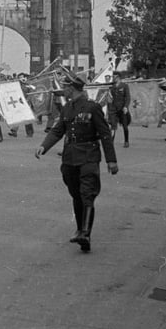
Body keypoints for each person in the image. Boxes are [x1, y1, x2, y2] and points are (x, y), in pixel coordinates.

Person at [35, 76, 118, 253]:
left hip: (89, 156)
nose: (63, 90)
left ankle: (86, 233)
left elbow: (104, 134)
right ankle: (80, 229)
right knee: (76, 194)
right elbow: (58, 130)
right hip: (70, 157)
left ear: (72, 88)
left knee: (87, 193)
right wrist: (44, 146)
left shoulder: (92, 107)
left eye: (65, 87)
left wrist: (111, 160)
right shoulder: (67, 108)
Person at [107, 71, 131, 148]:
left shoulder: (124, 86)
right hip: (114, 109)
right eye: (113, 76)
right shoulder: (112, 87)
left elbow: (128, 97)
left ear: (119, 77)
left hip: (122, 108)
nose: (113, 78)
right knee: (113, 126)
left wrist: (126, 107)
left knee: (125, 126)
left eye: (115, 77)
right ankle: (111, 142)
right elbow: (109, 98)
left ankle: (126, 141)